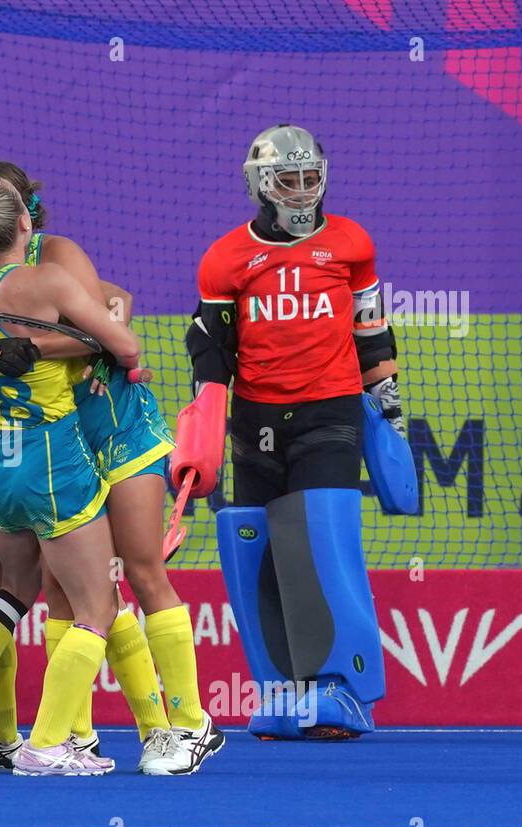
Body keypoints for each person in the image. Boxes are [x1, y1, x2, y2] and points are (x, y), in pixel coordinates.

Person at [0, 162, 220, 774]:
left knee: (139, 572)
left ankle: (186, 725)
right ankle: (71, 736)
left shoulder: (54, 255)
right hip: (56, 448)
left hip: (114, 431)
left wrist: (26, 347)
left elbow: (108, 327)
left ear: (15, 204)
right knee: (75, 591)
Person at [185, 124, 396, 739]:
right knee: (256, 549)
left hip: (330, 414)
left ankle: (344, 691)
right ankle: (281, 690)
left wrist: (389, 405)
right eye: (288, 180)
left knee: (323, 546)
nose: (302, 193)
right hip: (254, 421)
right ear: (259, 184)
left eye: (311, 179)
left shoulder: (353, 243)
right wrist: (205, 413)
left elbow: (372, 333)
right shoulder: (224, 259)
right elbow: (212, 345)